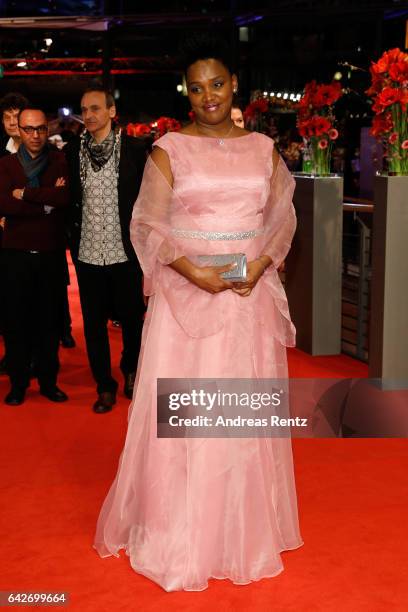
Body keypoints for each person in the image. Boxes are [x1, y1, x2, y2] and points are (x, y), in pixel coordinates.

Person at [94, 35, 303, 591]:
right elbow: (148, 225)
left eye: (217, 83)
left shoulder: (263, 148)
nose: (207, 94)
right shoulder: (170, 148)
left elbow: (282, 217)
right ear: (186, 93)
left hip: (246, 299)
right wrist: (194, 273)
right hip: (188, 299)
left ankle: (239, 528)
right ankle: (179, 530)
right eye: (197, 86)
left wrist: (260, 263)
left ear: (234, 86)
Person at [64, 86, 146, 414]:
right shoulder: (72, 153)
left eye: (96, 108)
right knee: (94, 324)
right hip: (87, 253)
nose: (89, 115)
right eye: (85, 110)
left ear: (112, 112)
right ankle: (104, 385)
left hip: (125, 252)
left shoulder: (137, 150)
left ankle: (129, 370)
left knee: (131, 319)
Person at [0, 108, 69, 405]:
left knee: (48, 322)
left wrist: (24, 195)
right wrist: (44, 204)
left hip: (50, 253)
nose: (35, 135)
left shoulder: (59, 160)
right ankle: (18, 383)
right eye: (29, 129)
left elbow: (64, 199)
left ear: (47, 128)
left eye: (40, 129)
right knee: (16, 322)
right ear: (19, 130)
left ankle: (48, 381)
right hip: (14, 255)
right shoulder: (5, 164)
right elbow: (3, 204)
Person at [0, 93, 29, 376]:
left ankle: (35, 357)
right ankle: (13, 356)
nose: (10, 122)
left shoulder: (40, 150)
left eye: (15, 117)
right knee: (8, 301)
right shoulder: (1, 152)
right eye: (6, 117)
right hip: (5, 239)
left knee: (32, 301)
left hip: (34, 236)